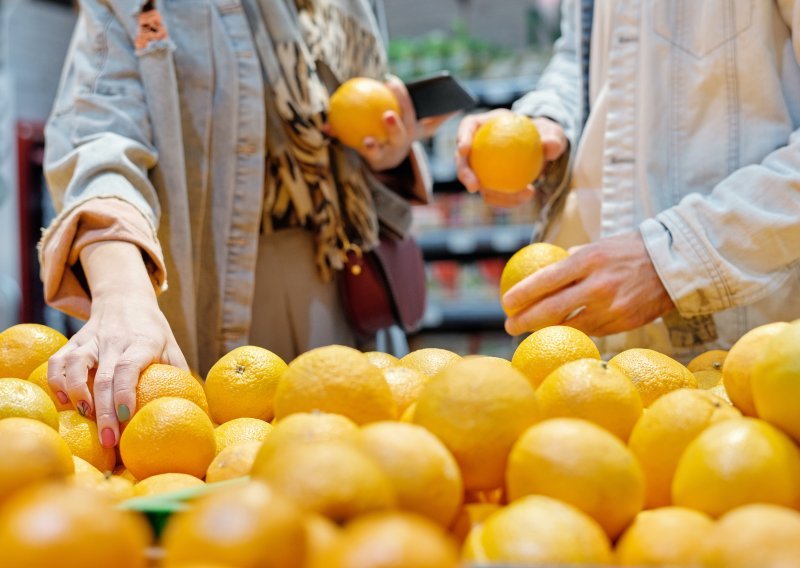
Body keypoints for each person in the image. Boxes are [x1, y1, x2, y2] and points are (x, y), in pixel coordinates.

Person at [40, 0, 446, 448]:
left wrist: (385, 153)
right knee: (216, 467)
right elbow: (98, 141)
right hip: (197, 285)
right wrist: (120, 295)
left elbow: (342, 145)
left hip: (333, 284)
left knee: (344, 464)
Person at [457, 0, 800, 360]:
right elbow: (582, 53)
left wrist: (671, 260)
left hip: (749, 341)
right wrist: (548, 119)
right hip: (595, 341)